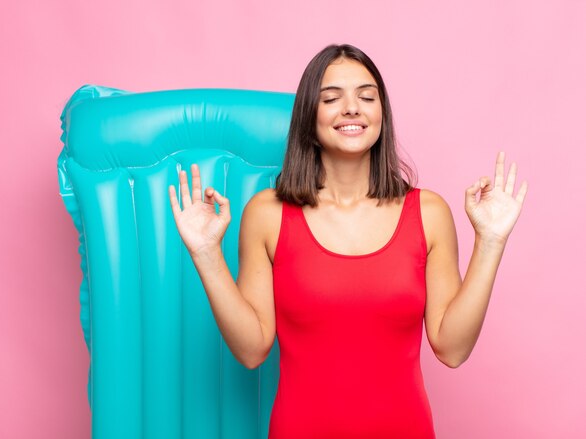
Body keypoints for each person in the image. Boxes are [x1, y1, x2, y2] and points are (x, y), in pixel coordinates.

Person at [168, 44, 528, 438]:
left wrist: (490, 241)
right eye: (332, 98)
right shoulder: (267, 213)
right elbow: (252, 350)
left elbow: (452, 348)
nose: (352, 108)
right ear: (310, 117)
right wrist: (206, 253)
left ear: (381, 114)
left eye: (367, 96)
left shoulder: (428, 213)